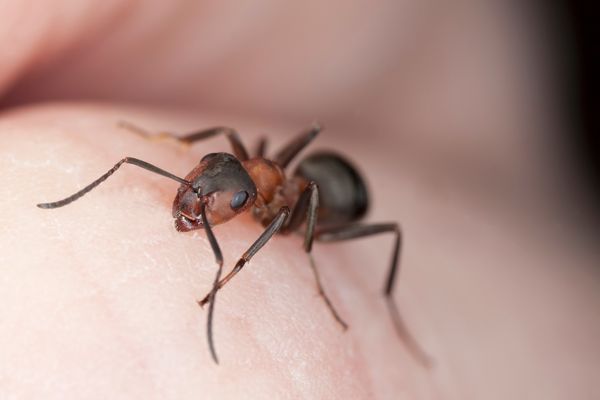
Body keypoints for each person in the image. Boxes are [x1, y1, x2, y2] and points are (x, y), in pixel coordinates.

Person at [0, 1, 598, 399]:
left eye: (214, 198)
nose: (200, 198)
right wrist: (173, 150)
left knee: (355, 214)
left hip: (340, 198)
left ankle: (372, 299)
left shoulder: (278, 202)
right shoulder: (235, 167)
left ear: (244, 202)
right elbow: (226, 164)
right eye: (205, 183)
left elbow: (288, 194)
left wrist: (259, 271)